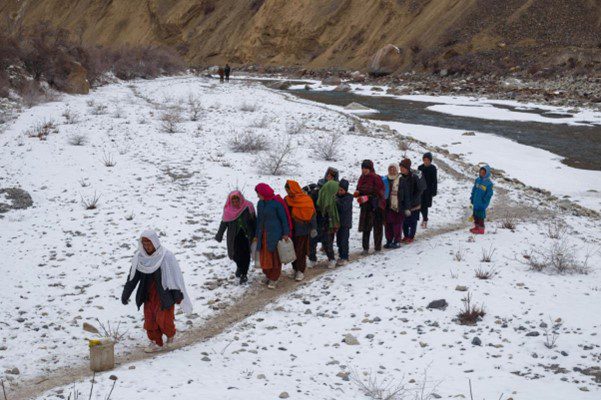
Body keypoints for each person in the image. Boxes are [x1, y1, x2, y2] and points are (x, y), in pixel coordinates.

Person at [122, 230, 193, 353]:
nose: (147, 247)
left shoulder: (166, 256)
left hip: (164, 295)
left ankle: (170, 338)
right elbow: (133, 278)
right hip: (148, 296)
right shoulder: (140, 258)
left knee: (164, 320)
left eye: (149, 243)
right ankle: (154, 342)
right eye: (144, 244)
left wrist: (178, 296)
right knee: (150, 320)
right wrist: (126, 294)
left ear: (155, 242)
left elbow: (175, 278)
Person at [254, 183, 291, 289]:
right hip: (263, 235)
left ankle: (274, 278)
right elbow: (259, 220)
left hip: (275, 235)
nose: (257, 196)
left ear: (264, 193)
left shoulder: (277, 203)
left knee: (275, 258)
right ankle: (268, 274)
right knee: (264, 257)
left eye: (259, 193)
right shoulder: (260, 203)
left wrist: (285, 233)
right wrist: (257, 234)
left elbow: (284, 219)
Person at [215, 191, 256, 284]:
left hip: (247, 235)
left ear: (240, 199)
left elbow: (254, 221)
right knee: (234, 255)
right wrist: (219, 235)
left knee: (246, 255)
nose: (235, 203)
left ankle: (244, 274)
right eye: (233, 201)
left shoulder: (248, 206)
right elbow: (224, 223)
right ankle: (239, 266)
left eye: (237, 200)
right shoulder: (228, 210)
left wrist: (256, 234)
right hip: (233, 237)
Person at [284, 180, 317, 281]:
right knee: (292, 250)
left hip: (303, 230)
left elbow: (312, 214)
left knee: (301, 251)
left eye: (289, 190)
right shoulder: (287, 200)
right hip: (291, 230)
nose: (288, 193)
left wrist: (313, 227)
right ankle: (295, 268)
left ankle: (300, 270)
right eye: (286, 191)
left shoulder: (305, 200)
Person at [309, 166, 339, 266]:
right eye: (328, 175)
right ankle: (312, 259)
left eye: (331, 176)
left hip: (327, 219)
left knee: (327, 240)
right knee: (312, 240)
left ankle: (331, 259)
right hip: (316, 217)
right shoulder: (319, 186)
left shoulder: (335, 187)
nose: (329, 177)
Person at [354, 160, 385, 255]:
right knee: (366, 227)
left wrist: (370, 196)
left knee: (377, 227)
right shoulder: (362, 178)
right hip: (365, 206)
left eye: (366, 168)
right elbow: (359, 188)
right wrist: (358, 193)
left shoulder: (376, 178)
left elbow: (381, 192)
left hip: (376, 206)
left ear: (370, 168)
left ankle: (377, 248)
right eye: (363, 168)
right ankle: (365, 248)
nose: (364, 170)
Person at [315, 180, 340, 268]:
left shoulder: (331, 197)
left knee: (328, 242)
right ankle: (331, 259)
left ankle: (331, 259)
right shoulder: (325, 196)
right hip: (323, 223)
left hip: (327, 224)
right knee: (326, 242)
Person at [399, 158, 425, 243]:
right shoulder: (400, 176)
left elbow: (420, 190)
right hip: (404, 203)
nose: (401, 169)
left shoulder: (415, 176)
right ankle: (406, 236)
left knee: (413, 220)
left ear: (407, 168)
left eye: (403, 167)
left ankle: (411, 236)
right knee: (404, 221)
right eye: (400, 167)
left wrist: (413, 200)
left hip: (414, 203)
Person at [382, 163, 403, 249]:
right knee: (388, 224)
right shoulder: (385, 179)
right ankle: (389, 240)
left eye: (394, 169)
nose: (392, 170)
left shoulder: (401, 179)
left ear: (397, 169)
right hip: (387, 205)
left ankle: (397, 241)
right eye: (390, 169)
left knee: (397, 224)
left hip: (397, 205)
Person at [470, 165, 494, 234]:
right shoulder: (477, 180)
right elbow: (474, 189)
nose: (482, 174)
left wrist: (484, 202)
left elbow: (489, 194)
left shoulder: (489, 184)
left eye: (483, 173)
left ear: (487, 174)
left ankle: (481, 229)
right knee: (475, 215)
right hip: (476, 202)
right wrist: (472, 197)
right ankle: (476, 227)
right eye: (481, 172)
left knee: (480, 216)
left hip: (482, 203)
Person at [418, 152, 438, 229]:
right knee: (419, 206)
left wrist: (434, 191)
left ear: (430, 160)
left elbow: (434, 181)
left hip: (428, 191)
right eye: (425, 159)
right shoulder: (420, 167)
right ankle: (424, 217)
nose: (426, 161)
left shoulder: (433, 168)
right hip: (420, 190)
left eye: (428, 160)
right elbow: (417, 179)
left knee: (425, 206)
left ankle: (425, 220)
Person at [336, 179, 353, 266]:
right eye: (338, 189)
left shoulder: (349, 197)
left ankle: (345, 256)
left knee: (344, 240)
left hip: (345, 223)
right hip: (338, 223)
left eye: (341, 190)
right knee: (339, 240)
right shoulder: (337, 196)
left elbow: (343, 207)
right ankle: (341, 255)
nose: (339, 191)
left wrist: (336, 200)